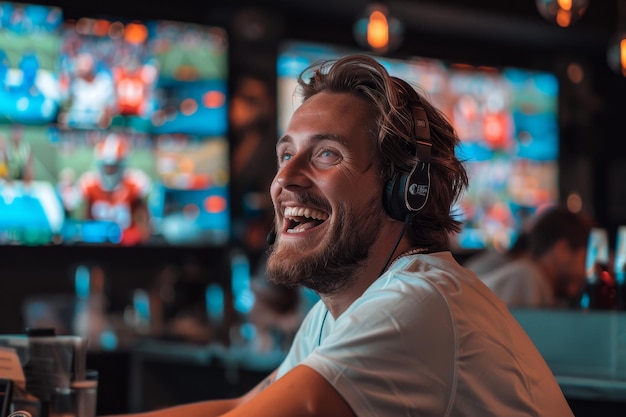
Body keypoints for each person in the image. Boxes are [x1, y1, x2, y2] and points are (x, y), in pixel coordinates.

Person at [107, 55, 574, 416]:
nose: (284, 179)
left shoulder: (419, 301)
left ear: (406, 190)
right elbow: (241, 408)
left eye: (327, 154)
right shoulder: (340, 311)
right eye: (285, 154)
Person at [479, 204, 593, 308]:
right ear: (562, 250)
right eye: (584, 261)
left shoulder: (533, 279)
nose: (585, 274)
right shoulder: (526, 277)